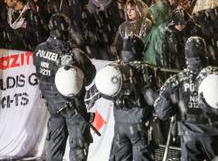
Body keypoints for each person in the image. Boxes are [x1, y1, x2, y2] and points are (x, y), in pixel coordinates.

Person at [154, 36, 218, 160]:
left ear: (186, 56)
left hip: (188, 137)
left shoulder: (177, 80)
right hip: (215, 136)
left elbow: (162, 112)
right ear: (205, 53)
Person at [34, 14, 96, 161]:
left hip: (53, 106)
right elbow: (89, 76)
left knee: (55, 144)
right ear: (65, 30)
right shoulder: (71, 53)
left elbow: (41, 74)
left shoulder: (38, 50)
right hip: (72, 106)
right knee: (78, 145)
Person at [89, 35, 157, 161]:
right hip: (139, 124)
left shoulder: (114, 68)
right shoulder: (144, 69)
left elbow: (96, 92)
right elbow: (152, 98)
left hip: (120, 125)